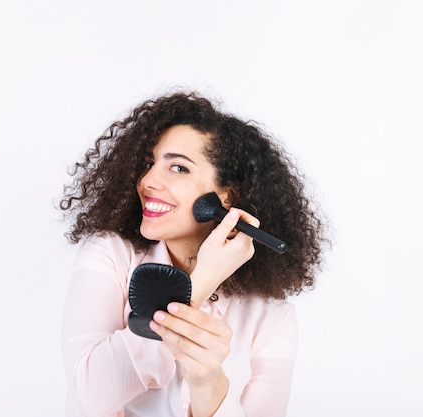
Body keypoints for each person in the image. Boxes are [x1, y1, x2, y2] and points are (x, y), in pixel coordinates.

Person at [59, 91, 327, 417]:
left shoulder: (272, 317)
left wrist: (207, 384)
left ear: (226, 197)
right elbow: (90, 394)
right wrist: (201, 281)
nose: (147, 181)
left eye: (178, 168)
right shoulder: (110, 255)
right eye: (148, 163)